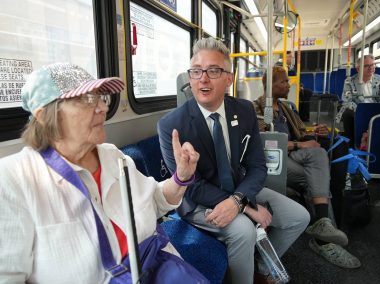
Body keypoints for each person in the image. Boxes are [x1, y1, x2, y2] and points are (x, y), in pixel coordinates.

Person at [0, 63, 205, 283]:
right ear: (43, 116)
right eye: (85, 100)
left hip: (157, 268)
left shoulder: (112, 156)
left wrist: (181, 177)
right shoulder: (13, 178)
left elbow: (155, 200)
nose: (102, 108)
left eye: (101, 98)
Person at [158, 38, 310, 284]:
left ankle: (261, 269)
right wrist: (245, 208)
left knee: (299, 217)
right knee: (243, 230)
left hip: (239, 190)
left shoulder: (244, 110)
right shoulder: (171, 125)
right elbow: (191, 186)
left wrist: (239, 200)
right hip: (197, 201)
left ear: (229, 79)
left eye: (214, 71)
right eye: (196, 71)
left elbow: (257, 165)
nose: (203, 79)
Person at [253, 67, 361, 269]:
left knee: (319, 155)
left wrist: (313, 132)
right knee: (317, 179)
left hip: (292, 155)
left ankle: (323, 226)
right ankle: (323, 240)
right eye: (284, 82)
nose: (288, 85)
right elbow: (262, 144)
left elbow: (299, 131)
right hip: (274, 160)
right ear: (271, 86)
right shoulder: (256, 110)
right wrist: (299, 145)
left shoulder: (285, 108)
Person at [339, 55, 380, 148]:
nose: (371, 68)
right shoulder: (349, 81)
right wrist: (361, 110)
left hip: (376, 108)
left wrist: (374, 109)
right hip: (357, 109)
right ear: (358, 69)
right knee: (347, 113)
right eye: (367, 66)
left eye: (373, 65)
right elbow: (347, 99)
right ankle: (352, 145)